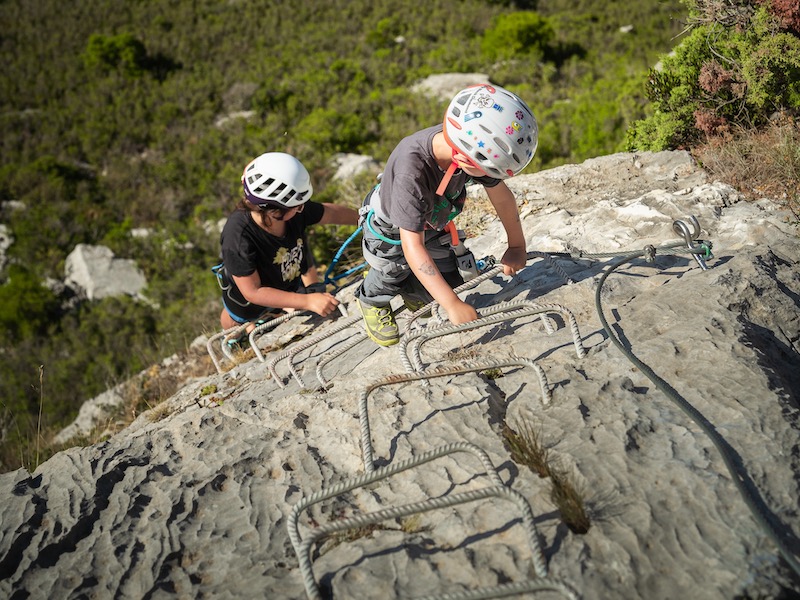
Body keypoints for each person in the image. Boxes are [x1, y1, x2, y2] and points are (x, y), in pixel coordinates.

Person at [354, 83, 538, 346]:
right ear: (463, 159)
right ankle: (371, 297)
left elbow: (501, 196)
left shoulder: (466, 142)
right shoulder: (412, 173)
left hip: (431, 222)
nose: (490, 177)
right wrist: (451, 304)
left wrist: (517, 245)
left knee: (447, 282)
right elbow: (411, 246)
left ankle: (412, 288)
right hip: (392, 231)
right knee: (393, 269)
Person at [217, 152, 359, 334]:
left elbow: (329, 213)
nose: (303, 210)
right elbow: (253, 292)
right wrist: (307, 302)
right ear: (274, 212)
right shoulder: (237, 238)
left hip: (287, 279)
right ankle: (234, 332)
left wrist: (361, 218)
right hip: (249, 301)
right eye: (298, 206)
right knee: (238, 320)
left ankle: (276, 313)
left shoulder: (290, 210)